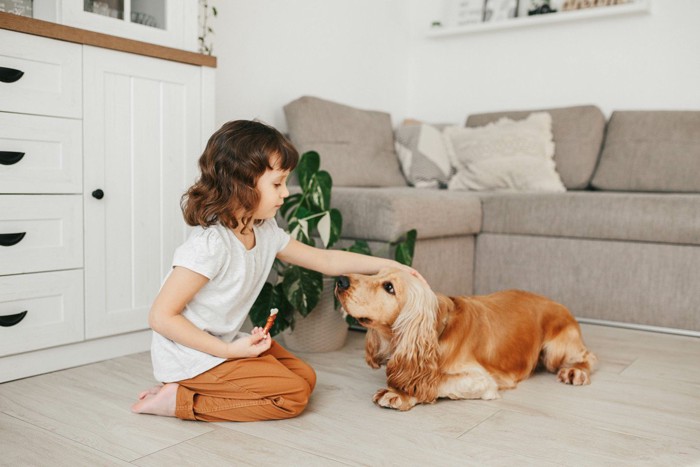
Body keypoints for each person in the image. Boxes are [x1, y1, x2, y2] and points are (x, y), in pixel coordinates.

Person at [131, 119, 424, 422]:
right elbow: (161, 316)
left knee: (305, 378)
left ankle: (189, 388)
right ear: (240, 183)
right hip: (191, 356)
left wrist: (390, 265)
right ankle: (178, 399)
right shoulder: (211, 245)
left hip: (222, 346)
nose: (285, 193)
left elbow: (326, 261)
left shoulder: (265, 230)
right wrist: (228, 352)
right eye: (276, 184)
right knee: (292, 397)